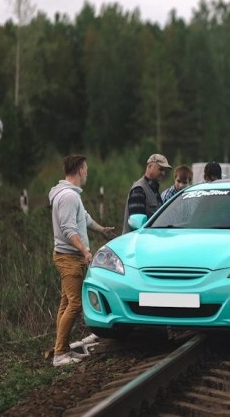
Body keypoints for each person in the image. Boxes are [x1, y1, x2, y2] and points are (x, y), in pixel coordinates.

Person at [48, 155, 116, 366]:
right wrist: (85, 251)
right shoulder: (68, 196)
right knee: (75, 304)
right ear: (79, 170)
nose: (87, 172)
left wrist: (101, 230)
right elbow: (69, 229)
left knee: (66, 303)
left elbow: (83, 218)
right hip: (69, 257)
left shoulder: (71, 195)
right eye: (85, 168)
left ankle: (62, 348)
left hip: (69, 256)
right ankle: (59, 355)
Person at [122, 153, 171, 234]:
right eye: (161, 169)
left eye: (164, 170)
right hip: (138, 242)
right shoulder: (139, 189)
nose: (163, 173)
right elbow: (137, 226)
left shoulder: (153, 189)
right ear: (150, 166)